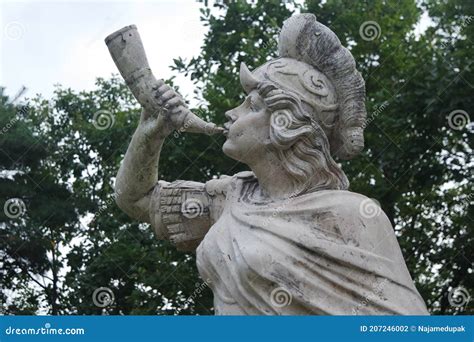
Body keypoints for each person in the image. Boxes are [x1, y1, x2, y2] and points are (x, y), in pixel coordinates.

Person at [115, 13, 428, 315]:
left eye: (251, 104)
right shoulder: (230, 198)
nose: (232, 113)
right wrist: (150, 134)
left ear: (285, 124)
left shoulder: (351, 213)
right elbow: (137, 199)